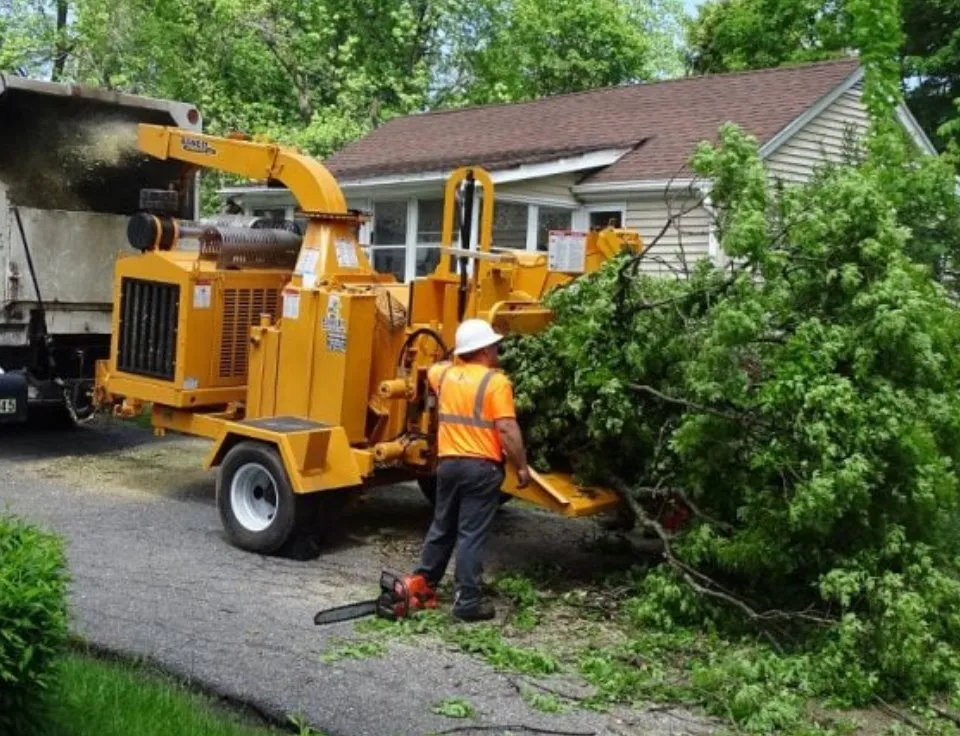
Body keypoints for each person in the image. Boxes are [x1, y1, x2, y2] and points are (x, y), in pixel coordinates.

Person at [415, 319, 531, 622]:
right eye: (493, 345)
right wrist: (521, 467)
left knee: (442, 527)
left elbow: (435, 367)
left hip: (449, 465)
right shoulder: (496, 382)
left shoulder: (445, 377)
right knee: (470, 534)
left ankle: (422, 585)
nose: (497, 350)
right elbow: (506, 427)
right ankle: (467, 600)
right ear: (482, 350)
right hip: (480, 468)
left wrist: (458, 351)